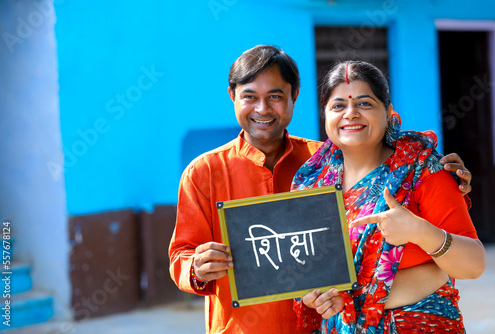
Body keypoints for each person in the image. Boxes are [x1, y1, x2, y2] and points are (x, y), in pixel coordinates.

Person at [168, 45, 473, 334]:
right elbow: (180, 255)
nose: (262, 108)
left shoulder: (324, 163)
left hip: (319, 324)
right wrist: (195, 267)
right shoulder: (205, 172)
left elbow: (397, 167)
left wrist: (440, 173)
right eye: (249, 96)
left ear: (294, 96)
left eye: (275, 96)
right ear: (232, 96)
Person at [291, 60, 485, 333]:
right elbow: (309, 276)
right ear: (325, 115)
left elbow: (474, 264)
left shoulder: (421, 169)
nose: (351, 114)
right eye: (338, 106)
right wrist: (320, 298)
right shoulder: (312, 185)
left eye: (365, 103)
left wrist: (419, 231)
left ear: (389, 112)